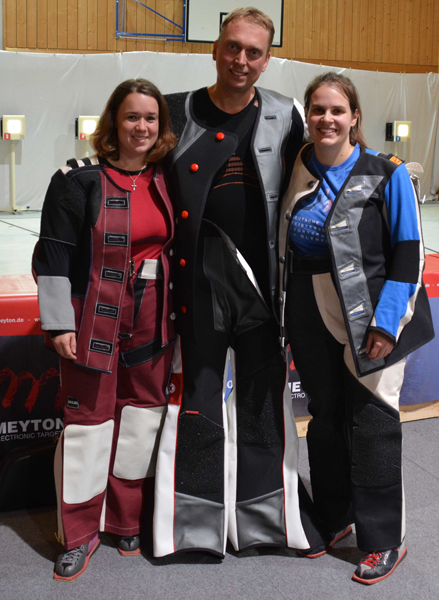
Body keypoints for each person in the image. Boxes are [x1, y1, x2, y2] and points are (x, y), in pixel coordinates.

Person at [153, 7, 329, 558]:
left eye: (254, 52)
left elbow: (321, 179)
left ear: (267, 60)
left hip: (263, 293)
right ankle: (191, 529)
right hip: (197, 288)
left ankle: (268, 523)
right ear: (214, 49)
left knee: (261, 406)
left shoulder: (285, 113)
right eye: (233, 47)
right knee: (199, 404)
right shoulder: (174, 111)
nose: (241, 60)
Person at [278, 72, 434, 584]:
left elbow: (408, 254)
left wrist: (387, 325)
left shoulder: (387, 173)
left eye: (337, 110)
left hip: (373, 309)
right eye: (317, 109)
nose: (326, 119)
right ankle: (335, 514)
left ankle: (384, 538)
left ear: (354, 117)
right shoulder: (298, 163)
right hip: (308, 303)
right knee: (324, 417)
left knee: (372, 423)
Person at [33, 79, 176, 581]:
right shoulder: (77, 179)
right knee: (88, 426)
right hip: (91, 318)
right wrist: (57, 323)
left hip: (153, 317)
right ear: (114, 120)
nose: (142, 127)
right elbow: (53, 254)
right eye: (132, 116)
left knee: (141, 420)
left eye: (151, 118)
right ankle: (78, 534)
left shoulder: (167, 178)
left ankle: (124, 520)